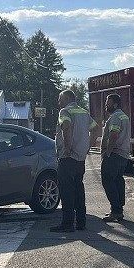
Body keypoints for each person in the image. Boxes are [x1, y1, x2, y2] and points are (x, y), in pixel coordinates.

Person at [51, 89, 95, 233]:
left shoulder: (64, 112)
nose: (58, 102)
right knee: (78, 190)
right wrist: (88, 146)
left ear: (66, 98)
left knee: (67, 191)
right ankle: (81, 222)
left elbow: (66, 127)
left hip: (67, 157)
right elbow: (95, 129)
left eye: (60, 99)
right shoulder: (83, 112)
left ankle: (67, 223)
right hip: (80, 158)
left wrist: (68, 148)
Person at [100, 93, 131, 222]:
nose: (106, 105)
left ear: (115, 104)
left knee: (108, 180)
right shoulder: (124, 116)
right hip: (123, 154)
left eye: (108, 102)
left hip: (114, 154)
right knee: (118, 180)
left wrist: (108, 151)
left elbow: (113, 134)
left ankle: (116, 210)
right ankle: (118, 210)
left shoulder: (116, 117)